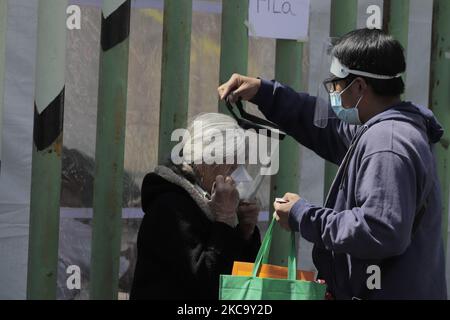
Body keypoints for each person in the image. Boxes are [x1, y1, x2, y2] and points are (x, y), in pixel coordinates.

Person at [217, 28, 447, 300]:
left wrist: (303, 215)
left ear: (360, 86)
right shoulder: (382, 130)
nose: (334, 93)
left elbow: (380, 231)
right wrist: (264, 92)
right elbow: (327, 129)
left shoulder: (388, 144)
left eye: (337, 84)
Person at [130, 113, 261, 300]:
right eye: (232, 167)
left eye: (242, 166)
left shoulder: (208, 203)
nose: (241, 177)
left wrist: (245, 233)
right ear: (202, 163)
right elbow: (206, 286)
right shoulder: (171, 209)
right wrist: (224, 219)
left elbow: (242, 284)